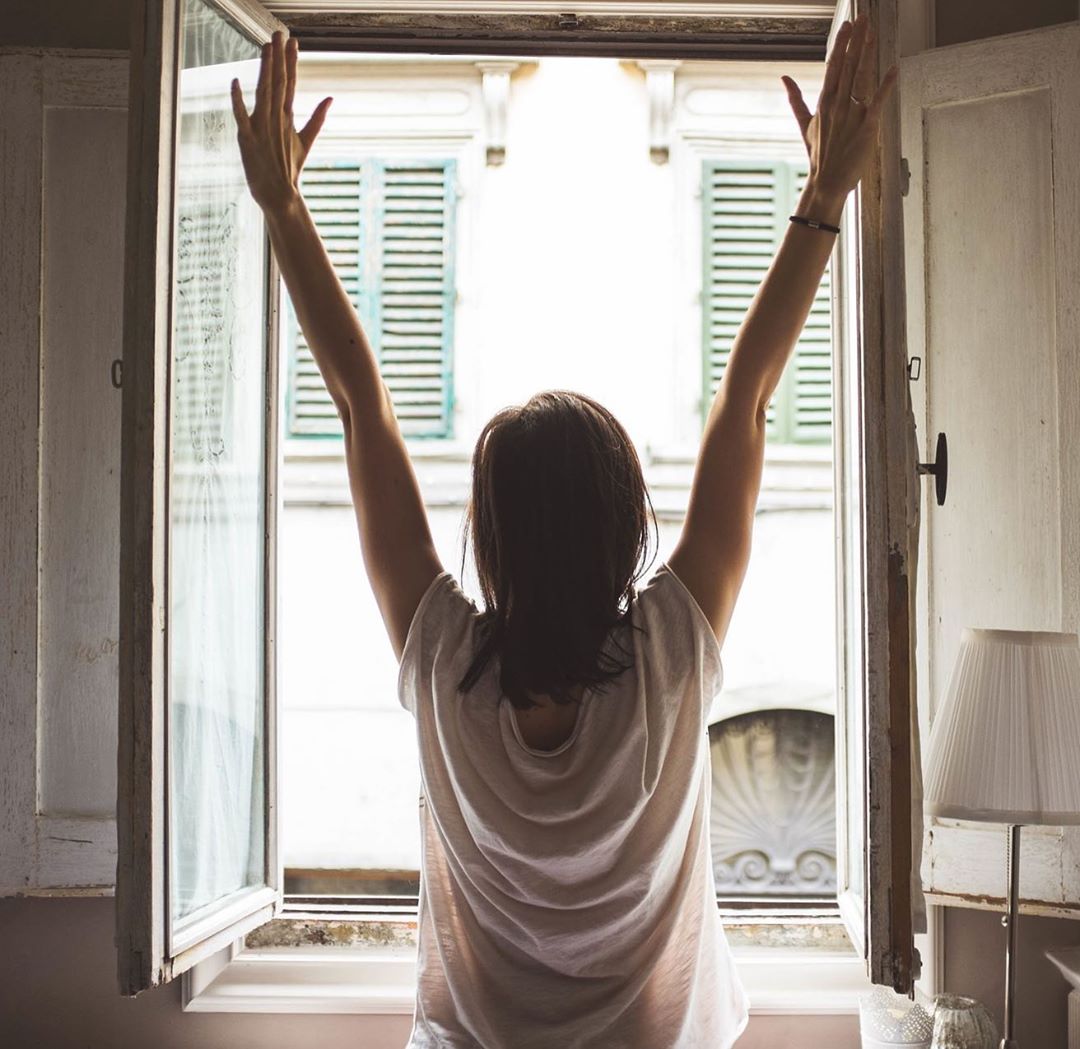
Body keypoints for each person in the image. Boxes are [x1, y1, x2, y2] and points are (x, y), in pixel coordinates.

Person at [231, 17, 896, 1048]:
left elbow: (362, 404)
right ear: (629, 524)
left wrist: (281, 206)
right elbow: (747, 402)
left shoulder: (443, 657)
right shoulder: (673, 652)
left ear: (488, 536)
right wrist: (821, 196)